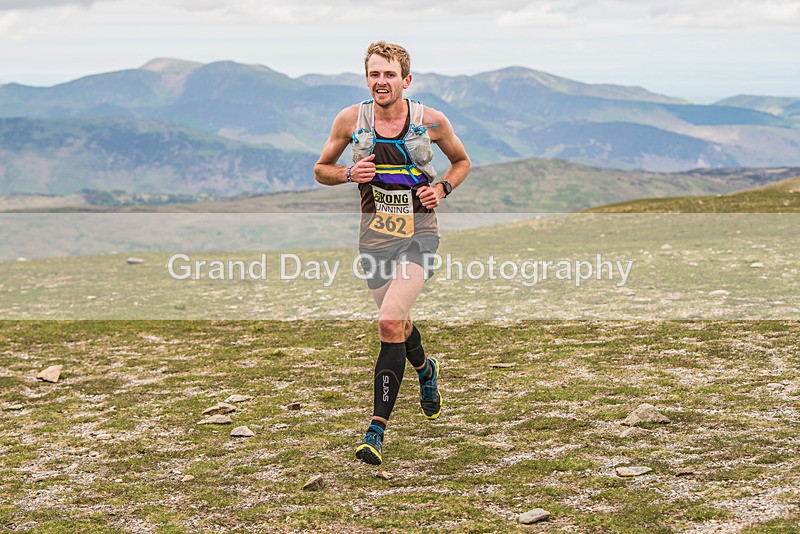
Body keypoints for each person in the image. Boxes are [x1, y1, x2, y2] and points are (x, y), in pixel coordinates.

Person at [314, 41, 471, 465]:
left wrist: (442, 188)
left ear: (406, 79)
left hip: (418, 233)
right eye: (374, 74)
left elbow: (461, 162)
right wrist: (348, 172)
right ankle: (426, 370)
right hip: (375, 236)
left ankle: (375, 430)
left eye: (389, 74)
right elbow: (320, 169)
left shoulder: (430, 121)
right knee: (397, 322)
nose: (381, 82)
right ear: (367, 78)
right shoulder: (351, 120)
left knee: (388, 321)